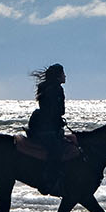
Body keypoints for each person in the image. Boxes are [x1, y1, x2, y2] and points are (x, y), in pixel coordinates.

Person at [26, 64, 67, 195]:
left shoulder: (44, 87)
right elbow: (59, 110)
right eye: (63, 73)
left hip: (38, 125)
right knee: (56, 151)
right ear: (58, 76)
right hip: (47, 128)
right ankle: (49, 181)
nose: (65, 76)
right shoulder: (57, 89)